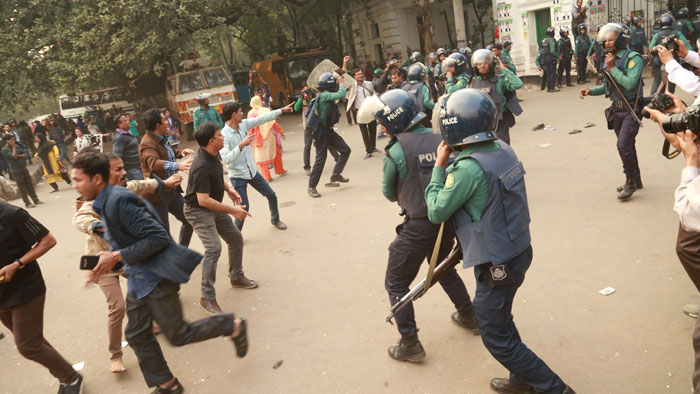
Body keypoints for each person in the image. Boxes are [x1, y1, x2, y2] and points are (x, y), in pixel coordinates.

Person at [425, 88, 575, 394]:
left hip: (497, 264)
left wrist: (439, 167)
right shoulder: (502, 148)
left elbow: (436, 211)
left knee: (494, 334)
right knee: (501, 318)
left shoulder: (467, 168)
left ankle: (555, 390)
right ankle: (522, 381)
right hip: (518, 249)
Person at [71, 151, 248, 394]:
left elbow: (157, 238)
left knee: (178, 335)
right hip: (139, 276)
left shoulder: (120, 201)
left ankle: (232, 326)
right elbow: (112, 237)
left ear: (97, 179)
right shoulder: (102, 202)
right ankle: (168, 385)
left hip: (157, 275)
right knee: (136, 334)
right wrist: (99, 264)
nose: (74, 186)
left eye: (78, 180)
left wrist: (116, 256)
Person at [357, 89, 478, 362]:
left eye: (382, 122)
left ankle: (410, 342)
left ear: (393, 121)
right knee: (442, 269)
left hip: (418, 226)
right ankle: (469, 315)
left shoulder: (396, 150)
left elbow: (389, 192)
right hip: (446, 221)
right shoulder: (443, 139)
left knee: (396, 282)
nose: (382, 128)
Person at [72, 152, 181, 373]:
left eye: (123, 169)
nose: (123, 173)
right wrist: (98, 226)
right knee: (118, 308)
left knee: (148, 288)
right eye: (117, 170)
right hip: (102, 262)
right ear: (100, 176)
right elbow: (80, 218)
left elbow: (142, 184)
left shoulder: (123, 191)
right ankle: (115, 354)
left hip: (125, 256)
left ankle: (149, 322)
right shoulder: (94, 200)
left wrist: (165, 182)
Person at [0, 201, 84, 393]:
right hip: (1, 296)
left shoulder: (13, 214)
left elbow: (48, 240)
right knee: (33, 341)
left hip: (25, 290)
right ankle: (67, 377)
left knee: (28, 346)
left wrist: (17, 264)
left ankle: (71, 379)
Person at [184, 122, 259, 314]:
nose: (222, 137)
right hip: (198, 210)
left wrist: (229, 189)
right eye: (219, 135)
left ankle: (236, 276)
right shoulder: (201, 165)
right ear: (211, 141)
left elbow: (217, 174)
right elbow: (202, 200)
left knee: (235, 238)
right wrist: (232, 210)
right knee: (213, 248)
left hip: (211, 205)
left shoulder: (212, 154)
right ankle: (206, 296)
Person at [579, 23, 644, 201]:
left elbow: (630, 83)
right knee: (627, 146)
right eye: (605, 40)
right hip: (616, 110)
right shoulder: (610, 58)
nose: (607, 43)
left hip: (631, 108)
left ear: (621, 39)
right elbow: (610, 85)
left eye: (611, 40)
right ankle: (636, 179)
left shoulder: (633, 58)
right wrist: (591, 91)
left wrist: (613, 67)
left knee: (623, 145)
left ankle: (630, 182)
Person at [221, 101, 292, 231]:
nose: (242, 114)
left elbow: (261, 118)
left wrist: (281, 110)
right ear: (233, 115)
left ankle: (275, 220)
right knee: (244, 208)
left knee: (271, 195)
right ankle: (235, 235)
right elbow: (226, 159)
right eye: (240, 112)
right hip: (238, 176)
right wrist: (241, 145)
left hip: (252, 172)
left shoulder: (243, 125)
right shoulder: (224, 135)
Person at [138, 108, 195, 246]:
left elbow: (166, 152)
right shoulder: (147, 144)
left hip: (172, 191)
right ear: (158, 125)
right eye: (164, 120)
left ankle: (181, 252)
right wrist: (178, 166)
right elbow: (154, 163)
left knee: (190, 221)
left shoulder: (161, 138)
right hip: (158, 194)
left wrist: (181, 152)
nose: (167, 123)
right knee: (163, 233)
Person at [307, 72, 352, 198]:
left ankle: (336, 174)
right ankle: (311, 186)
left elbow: (338, 76)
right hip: (321, 133)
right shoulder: (325, 95)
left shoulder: (325, 94)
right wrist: (341, 83)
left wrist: (342, 70)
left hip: (329, 131)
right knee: (320, 160)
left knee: (345, 150)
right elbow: (342, 93)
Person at [469, 49, 523, 145]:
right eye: (479, 63)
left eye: (485, 63)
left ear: (491, 64)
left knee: (502, 147)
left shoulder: (500, 79)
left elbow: (517, 84)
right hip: (482, 122)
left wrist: (504, 70)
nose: (482, 66)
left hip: (500, 121)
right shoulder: (472, 83)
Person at [650, 13, 693, 95]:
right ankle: (670, 97)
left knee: (657, 80)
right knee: (672, 80)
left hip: (659, 61)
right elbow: (688, 48)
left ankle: (652, 97)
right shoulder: (677, 33)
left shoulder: (657, 34)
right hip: (672, 60)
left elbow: (651, 47)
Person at [247, 96, 287, 181]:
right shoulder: (265, 110)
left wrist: (249, 138)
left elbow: (250, 127)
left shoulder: (250, 113)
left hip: (259, 137)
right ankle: (280, 170)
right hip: (270, 135)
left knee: (262, 157)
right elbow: (273, 123)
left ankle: (267, 177)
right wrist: (280, 131)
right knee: (276, 152)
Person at [1, 135, 42, 208]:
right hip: (16, 170)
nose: (14, 141)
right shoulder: (5, 149)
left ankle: (35, 199)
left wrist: (18, 155)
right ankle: (27, 203)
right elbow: (13, 156)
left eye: (14, 139)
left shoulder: (17, 146)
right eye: (12, 140)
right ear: (7, 141)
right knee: (22, 187)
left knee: (30, 185)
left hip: (23, 168)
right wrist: (13, 147)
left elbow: (25, 155)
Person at [347, 67, 378, 159]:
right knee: (364, 131)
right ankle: (368, 150)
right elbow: (341, 75)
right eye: (358, 74)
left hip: (369, 109)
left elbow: (374, 94)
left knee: (373, 128)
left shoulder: (368, 84)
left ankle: (373, 147)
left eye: (361, 74)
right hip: (359, 110)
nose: (360, 76)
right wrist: (345, 63)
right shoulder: (352, 85)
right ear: (354, 77)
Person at [402, 63, 434, 128]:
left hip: (408, 118)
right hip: (422, 117)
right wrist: (437, 106)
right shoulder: (423, 86)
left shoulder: (404, 87)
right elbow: (426, 103)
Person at [113, 113, 142, 180]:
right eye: (125, 121)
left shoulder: (128, 133)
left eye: (127, 120)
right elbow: (118, 157)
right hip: (132, 169)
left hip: (139, 166)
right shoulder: (119, 138)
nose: (128, 121)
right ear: (119, 124)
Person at [536, 27, 560, 92]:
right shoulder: (551, 40)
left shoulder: (544, 40)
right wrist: (558, 56)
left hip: (545, 58)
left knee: (549, 73)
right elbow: (552, 51)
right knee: (552, 73)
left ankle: (548, 87)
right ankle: (552, 88)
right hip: (551, 58)